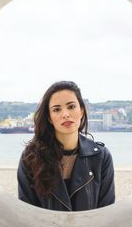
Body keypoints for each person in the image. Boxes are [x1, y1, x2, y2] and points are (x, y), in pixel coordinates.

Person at [17, 81, 115, 211]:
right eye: (57, 109)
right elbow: (26, 212)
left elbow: (106, 212)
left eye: (71, 107)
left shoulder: (101, 156)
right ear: (49, 118)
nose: (65, 114)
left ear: (81, 111)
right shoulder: (30, 157)